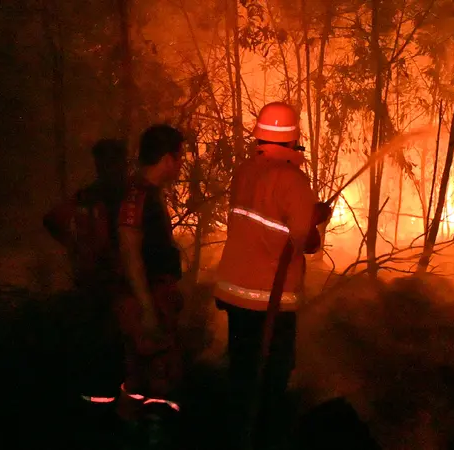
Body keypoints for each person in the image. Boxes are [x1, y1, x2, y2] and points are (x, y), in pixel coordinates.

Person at [213, 102, 332, 449]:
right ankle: (262, 438)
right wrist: (316, 217)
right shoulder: (293, 180)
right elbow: (303, 242)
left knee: (241, 373)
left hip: (234, 293)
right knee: (271, 379)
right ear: (294, 140)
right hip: (270, 300)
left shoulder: (246, 171)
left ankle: (233, 433)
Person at [114, 124, 186, 442]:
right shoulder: (138, 194)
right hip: (144, 299)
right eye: (179, 157)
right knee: (157, 371)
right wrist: (147, 307)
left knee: (145, 372)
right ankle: (143, 435)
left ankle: (136, 431)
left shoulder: (145, 193)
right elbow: (130, 250)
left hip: (153, 295)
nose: (181, 164)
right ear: (168, 158)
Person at [42, 138, 127, 408]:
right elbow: (53, 219)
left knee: (102, 342)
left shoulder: (92, 195)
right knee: (111, 343)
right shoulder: (115, 196)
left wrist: (74, 246)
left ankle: (97, 401)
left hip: (98, 280)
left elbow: (53, 219)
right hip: (109, 281)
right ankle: (106, 403)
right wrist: (75, 245)